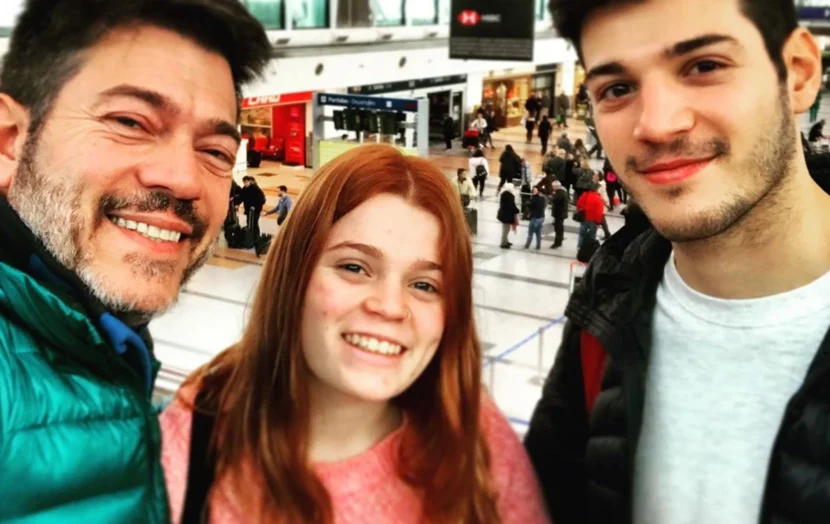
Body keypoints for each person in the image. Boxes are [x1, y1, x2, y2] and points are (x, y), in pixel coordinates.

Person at [526, 0, 830, 523]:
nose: (658, 125)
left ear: (797, 73)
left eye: (704, 66)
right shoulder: (611, 294)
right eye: (617, 88)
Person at [159, 144, 549, 524]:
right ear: (295, 274)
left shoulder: (477, 443)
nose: (390, 306)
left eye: (424, 285)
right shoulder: (194, 443)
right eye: (354, 267)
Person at [0, 0, 270, 520]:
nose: (185, 180)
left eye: (216, 151)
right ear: (10, 141)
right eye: (129, 122)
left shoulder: (102, 347)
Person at [574, 182, 604, 249]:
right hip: (593, 220)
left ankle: (579, 246)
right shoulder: (597, 198)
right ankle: (589, 248)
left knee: (582, 234)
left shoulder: (584, 195)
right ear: (596, 189)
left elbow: (578, 205)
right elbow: (599, 212)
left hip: (584, 218)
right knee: (592, 235)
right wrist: (598, 222)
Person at [497, 183, 520, 249]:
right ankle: (503, 243)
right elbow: (511, 206)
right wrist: (517, 210)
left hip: (504, 215)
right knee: (505, 230)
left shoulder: (504, 194)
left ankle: (506, 241)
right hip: (506, 216)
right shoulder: (509, 196)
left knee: (506, 229)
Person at [550, 181, 569, 248]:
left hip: (559, 214)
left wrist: (552, 196)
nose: (552, 188)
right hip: (561, 213)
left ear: (556, 186)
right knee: (559, 228)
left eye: (553, 186)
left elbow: (555, 200)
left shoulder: (559, 193)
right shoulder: (563, 192)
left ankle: (557, 243)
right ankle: (559, 241)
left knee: (558, 228)